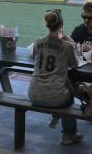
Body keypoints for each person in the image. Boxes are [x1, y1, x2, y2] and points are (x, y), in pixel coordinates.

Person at [28, 9, 82, 146]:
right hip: (56, 98)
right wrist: (71, 42)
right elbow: (75, 65)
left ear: (46, 24)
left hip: (33, 94)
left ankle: (56, 116)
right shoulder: (67, 46)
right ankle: (68, 134)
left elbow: (34, 55)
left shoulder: (37, 41)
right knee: (69, 92)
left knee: (63, 85)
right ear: (61, 24)